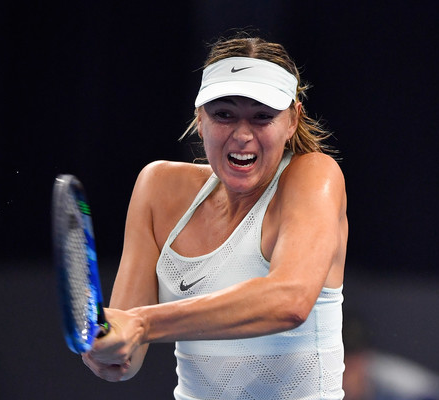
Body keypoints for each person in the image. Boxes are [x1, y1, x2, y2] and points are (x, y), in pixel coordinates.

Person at [82, 34, 348, 400]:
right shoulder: (157, 188)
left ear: (292, 120)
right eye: (224, 114)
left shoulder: (315, 176)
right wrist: (109, 349)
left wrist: (142, 323)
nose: (242, 135)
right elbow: (128, 349)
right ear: (199, 118)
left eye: (262, 117)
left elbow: (290, 301)